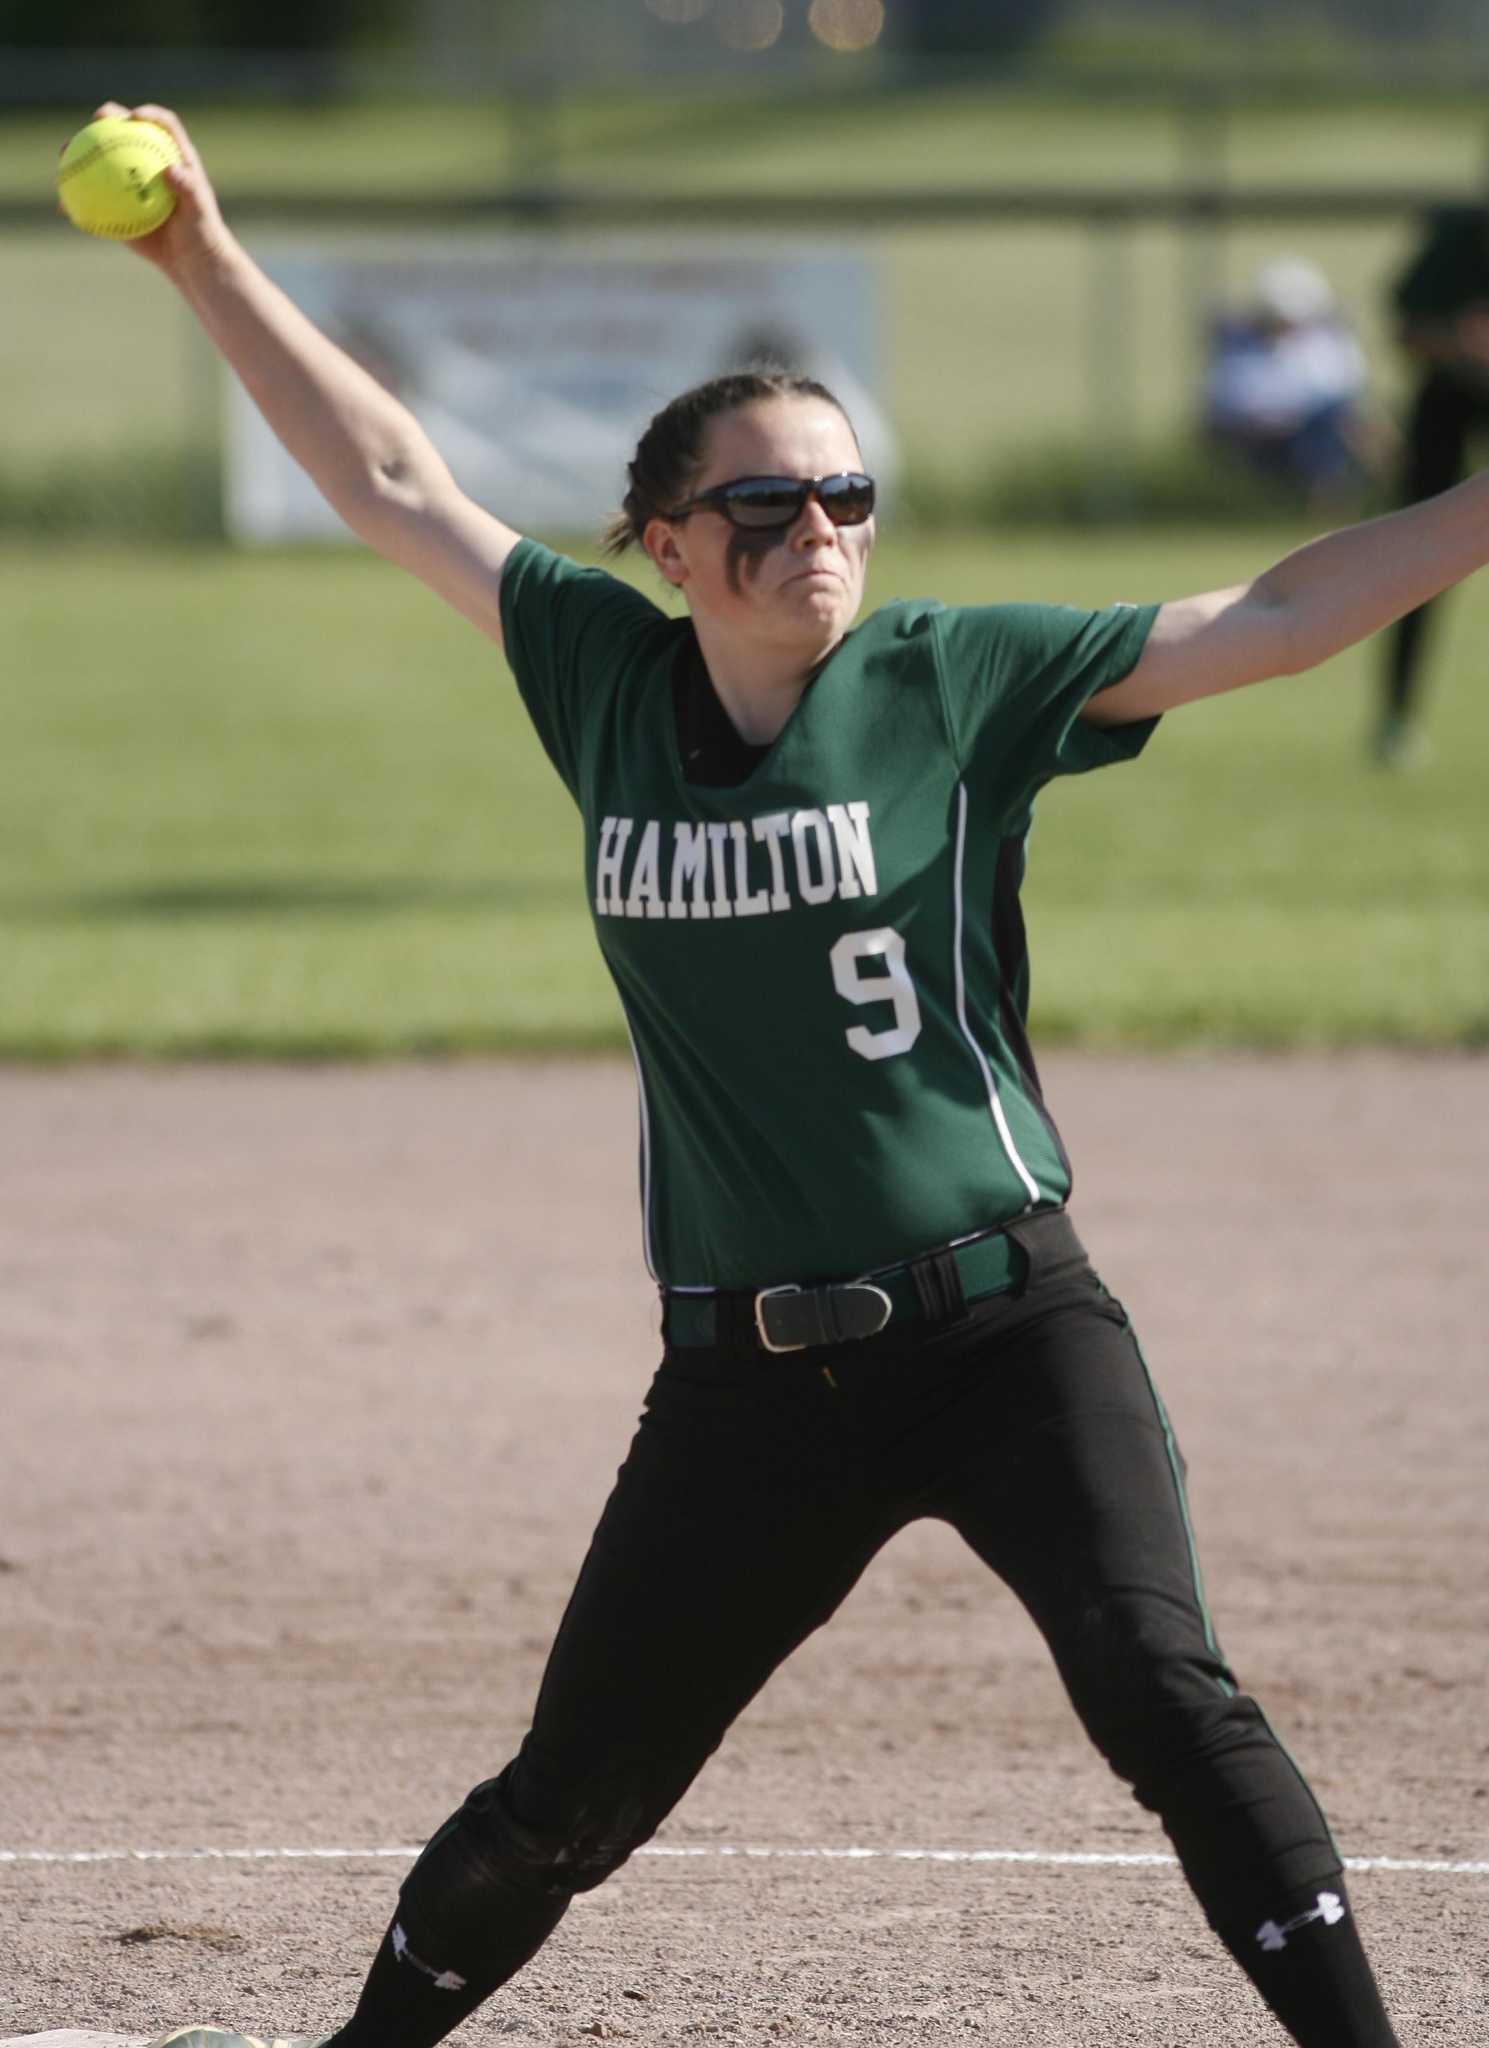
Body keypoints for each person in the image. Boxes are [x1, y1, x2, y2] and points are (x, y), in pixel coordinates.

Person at [82, 98, 1489, 2048]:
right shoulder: (601, 677)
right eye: (762, 502)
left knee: (1167, 1694)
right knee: (566, 1798)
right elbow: (396, 470)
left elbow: (1274, 612)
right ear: (666, 542)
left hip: (1008, 1328)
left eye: (843, 495)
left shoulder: (952, 682)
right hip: (745, 1380)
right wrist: (196, 253)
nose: (812, 529)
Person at [1377, 203, 1489, 765]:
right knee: (1414, 558)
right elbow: (1406, 327)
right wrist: (1460, 347)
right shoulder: (1460, 238)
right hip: (1450, 395)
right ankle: (1396, 718)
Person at [1201, 256, 1377, 506]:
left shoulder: (1328, 343)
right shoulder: (1238, 345)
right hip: (1256, 436)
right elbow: (1227, 405)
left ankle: (1330, 498)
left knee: (1336, 424)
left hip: (1312, 433)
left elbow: (1345, 399)